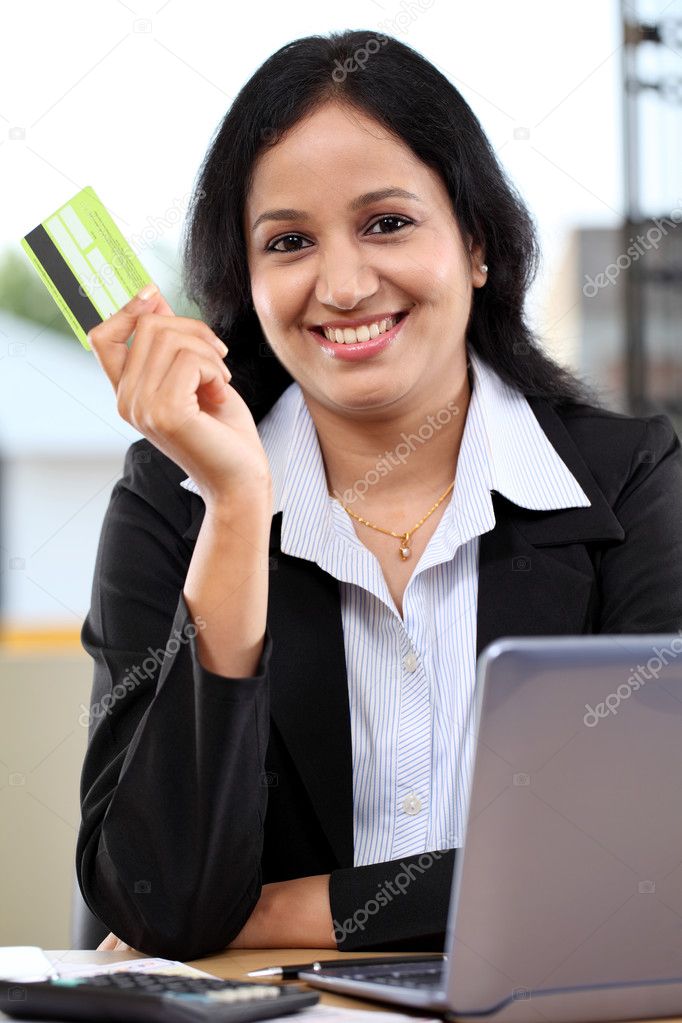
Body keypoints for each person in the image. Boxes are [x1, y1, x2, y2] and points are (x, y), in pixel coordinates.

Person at [76, 29, 682, 962]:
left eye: (387, 223)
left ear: (476, 244)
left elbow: (643, 858)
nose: (346, 284)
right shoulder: (173, 499)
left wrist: (281, 911)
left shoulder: (632, 477)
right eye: (289, 241)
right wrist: (237, 507)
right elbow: (161, 901)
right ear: (248, 279)